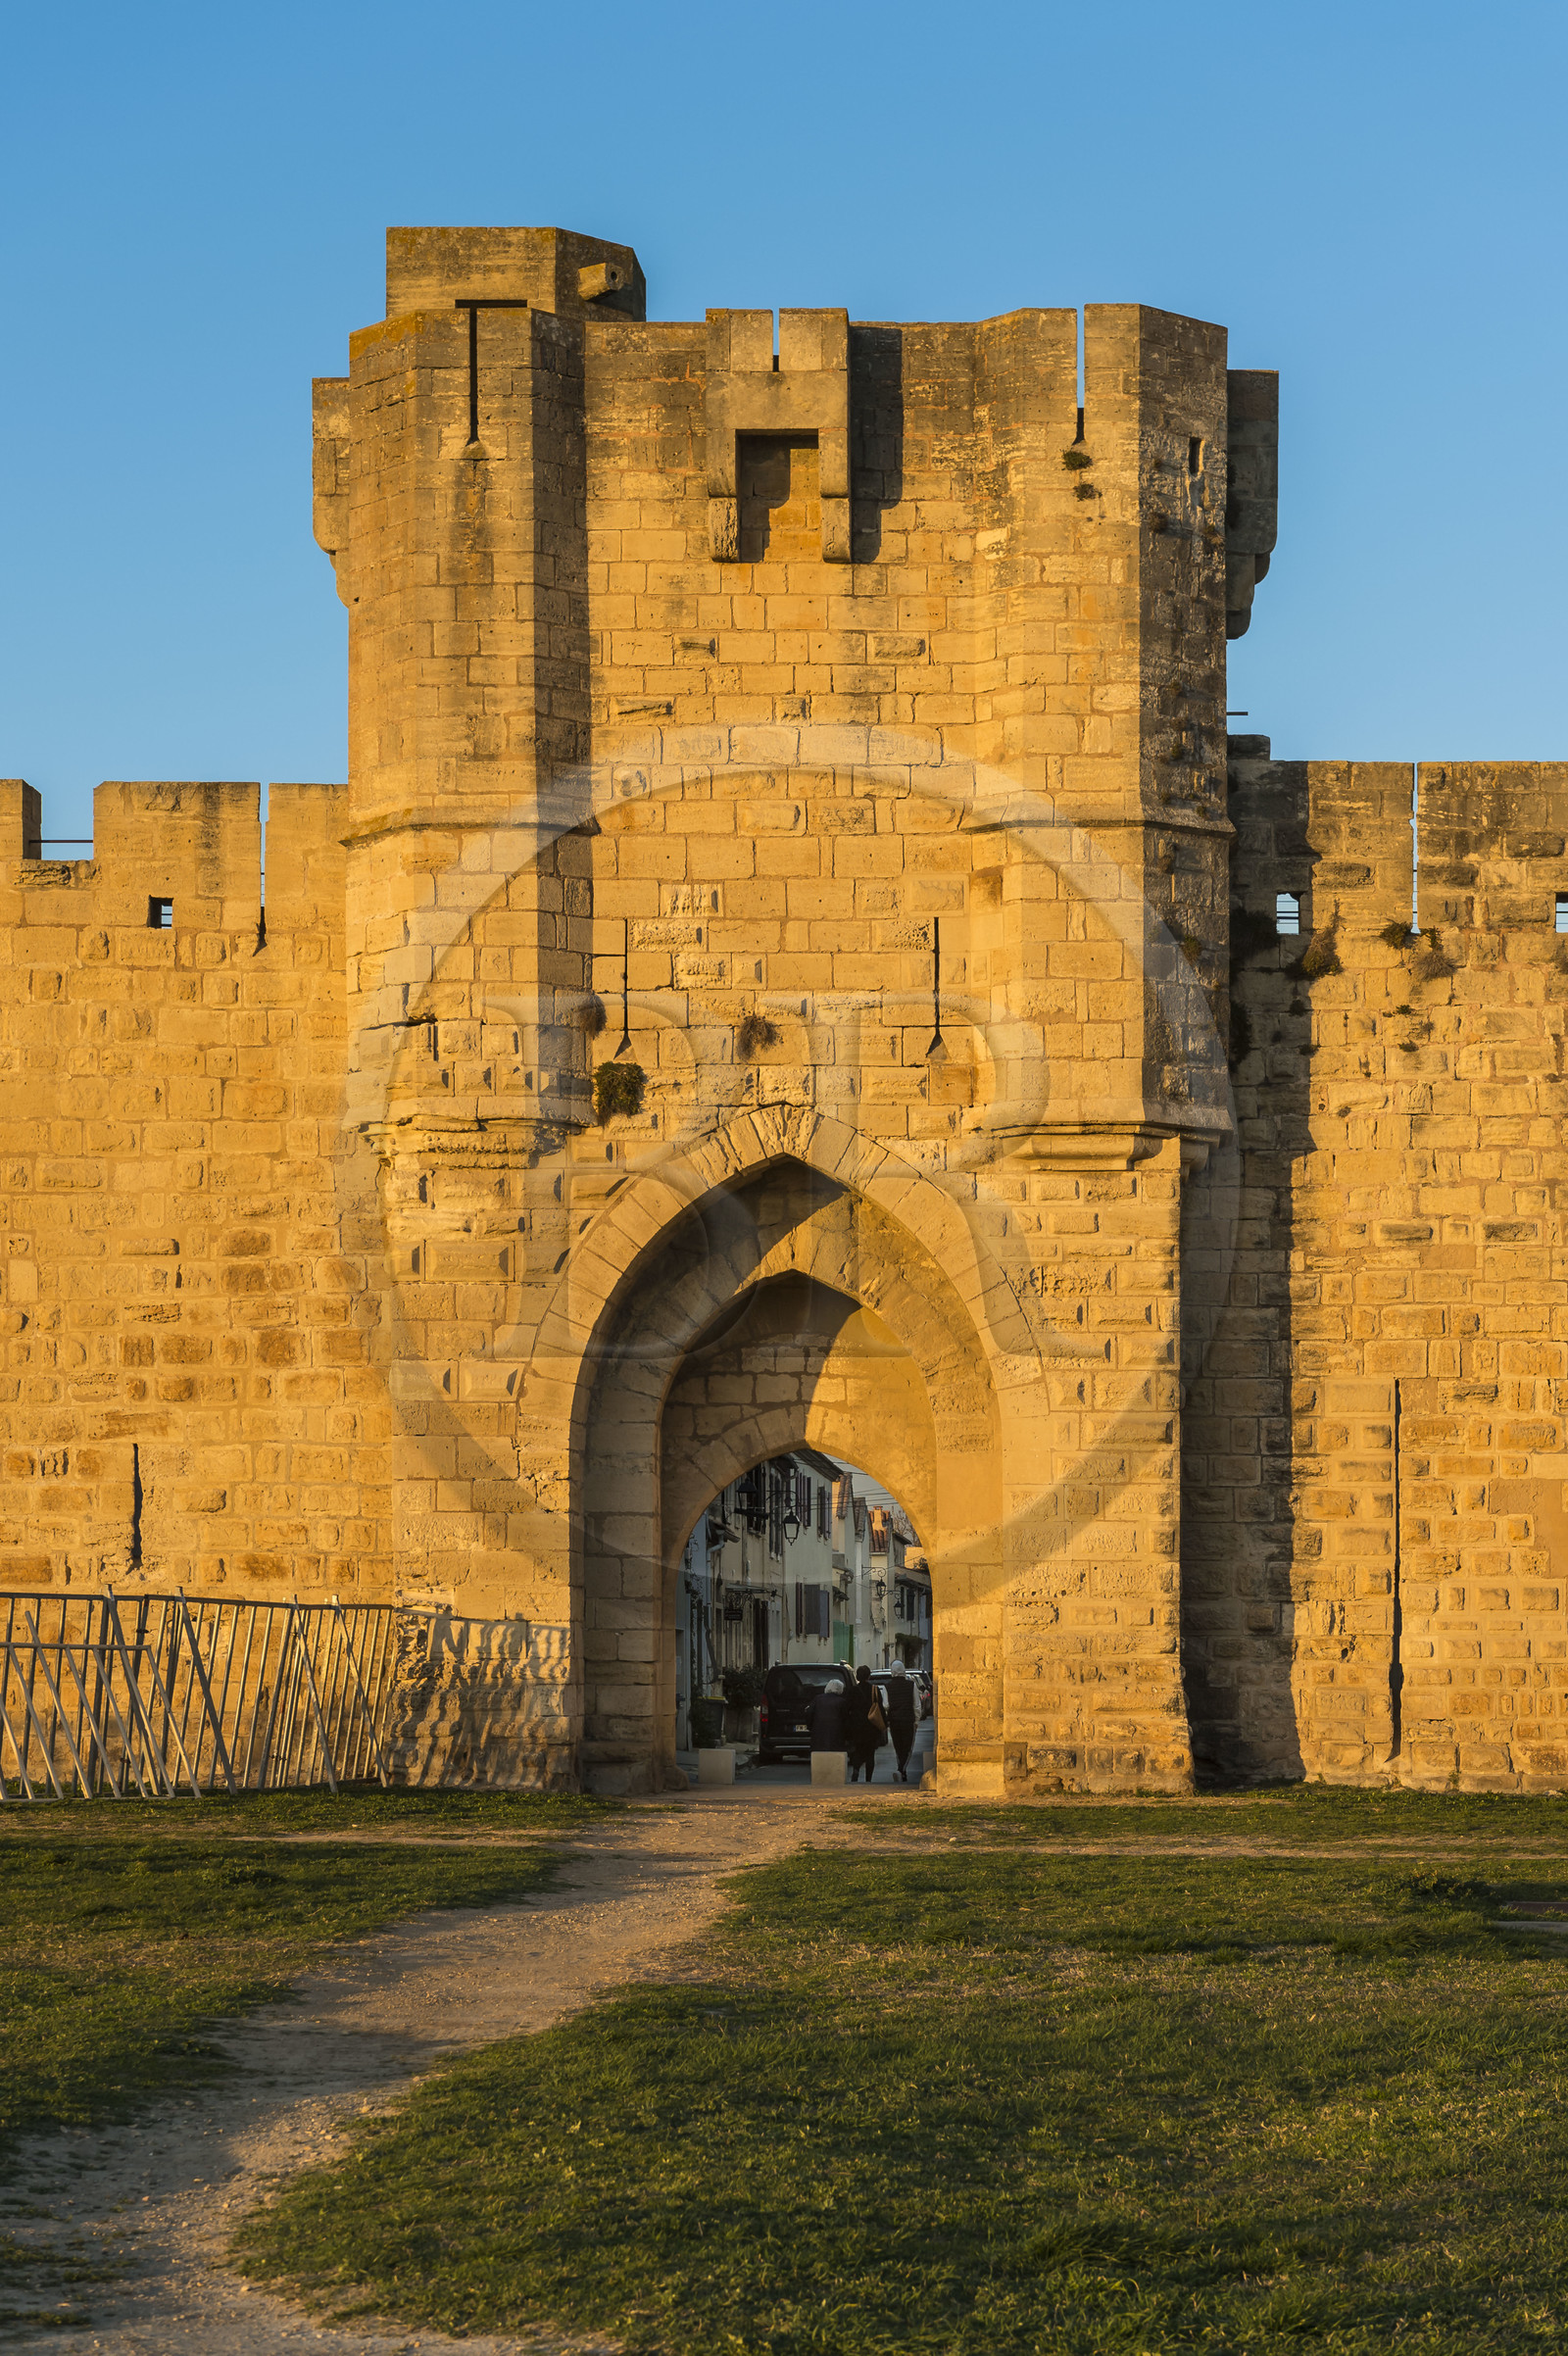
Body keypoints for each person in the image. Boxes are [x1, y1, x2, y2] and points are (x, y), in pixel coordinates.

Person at [847, 1663, 885, 1784]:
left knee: (857, 1750)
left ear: (857, 1677)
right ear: (869, 1676)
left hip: (857, 1726)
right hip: (871, 1726)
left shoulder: (852, 1691)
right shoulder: (874, 1689)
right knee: (870, 1754)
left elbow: (847, 1708)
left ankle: (856, 1770)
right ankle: (868, 1779)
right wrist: (883, 1726)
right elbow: (880, 1708)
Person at [884, 1662, 917, 1784]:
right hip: (908, 1720)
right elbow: (917, 1705)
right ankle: (901, 1770)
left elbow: (886, 1705)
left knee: (898, 1747)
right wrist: (916, 1720)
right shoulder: (911, 1685)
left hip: (894, 1721)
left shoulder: (887, 1686)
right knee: (908, 1747)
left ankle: (902, 1771)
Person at [809, 1677, 849, 1756]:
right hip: (837, 1734)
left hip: (819, 1732)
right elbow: (846, 1719)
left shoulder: (818, 1699)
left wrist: (811, 1727)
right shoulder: (842, 1702)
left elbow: (809, 1713)